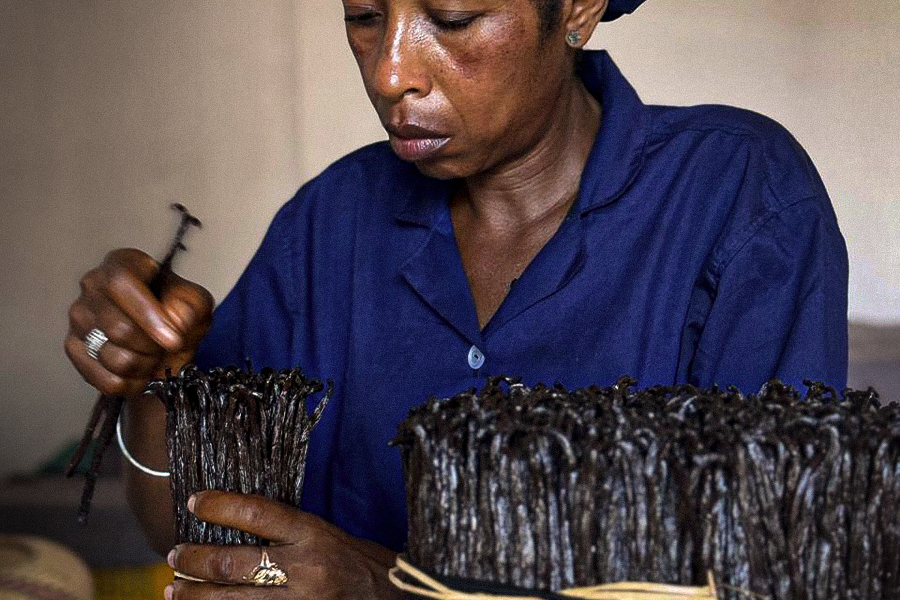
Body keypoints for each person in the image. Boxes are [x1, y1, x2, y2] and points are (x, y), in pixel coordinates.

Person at [64, 0, 848, 597]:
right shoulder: (330, 221)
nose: (389, 73)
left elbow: (765, 572)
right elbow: (193, 533)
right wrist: (152, 376)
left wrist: (387, 586)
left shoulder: (738, 196)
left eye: (452, 18)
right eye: (364, 17)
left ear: (577, 9)